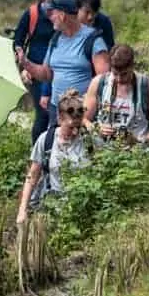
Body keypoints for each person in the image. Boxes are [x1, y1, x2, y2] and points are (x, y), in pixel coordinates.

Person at [21, 0, 110, 128]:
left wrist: (87, 111)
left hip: (81, 112)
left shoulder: (93, 40)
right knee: (54, 147)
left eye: (52, 13)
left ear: (62, 15)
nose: (50, 18)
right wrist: (25, 63)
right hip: (56, 110)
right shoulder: (55, 39)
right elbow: (46, 74)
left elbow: (105, 80)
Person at [17, 89, 93, 223]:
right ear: (59, 119)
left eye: (78, 126)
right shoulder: (46, 139)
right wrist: (22, 210)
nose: (75, 131)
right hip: (52, 208)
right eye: (70, 127)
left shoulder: (89, 140)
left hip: (83, 210)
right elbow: (32, 177)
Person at [83, 44, 149, 147]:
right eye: (115, 74)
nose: (119, 79)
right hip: (102, 151)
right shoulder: (98, 83)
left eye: (124, 74)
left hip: (136, 151)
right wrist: (95, 128)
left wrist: (140, 141)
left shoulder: (148, 87)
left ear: (132, 66)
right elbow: (83, 119)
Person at [13, 0, 64, 144]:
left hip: (58, 70)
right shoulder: (33, 14)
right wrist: (23, 62)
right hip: (36, 71)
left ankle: (56, 151)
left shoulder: (63, 15)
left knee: (59, 114)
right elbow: (18, 39)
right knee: (43, 114)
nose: (53, 4)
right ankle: (38, 154)